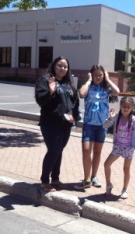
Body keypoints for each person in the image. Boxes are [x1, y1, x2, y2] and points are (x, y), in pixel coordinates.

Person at [35, 56, 80, 193]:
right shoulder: (46, 80)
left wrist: (74, 116)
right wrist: (50, 92)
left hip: (65, 124)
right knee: (54, 150)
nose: (62, 68)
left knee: (59, 150)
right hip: (50, 123)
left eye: (65, 66)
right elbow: (41, 100)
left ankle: (55, 178)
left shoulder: (68, 84)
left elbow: (74, 102)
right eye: (60, 65)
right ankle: (44, 181)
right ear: (54, 66)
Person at [74, 65, 120, 190]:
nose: (98, 77)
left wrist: (108, 79)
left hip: (102, 125)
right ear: (91, 75)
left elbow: (117, 92)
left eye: (100, 75)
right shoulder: (89, 87)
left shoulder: (106, 89)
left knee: (98, 152)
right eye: (95, 75)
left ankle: (94, 177)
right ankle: (87, 179)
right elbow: (81, 93)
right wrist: (88, 81)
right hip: (89, 124)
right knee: (86, 150)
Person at [103, 97, 135, 199]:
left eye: (128, 107)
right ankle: (108, 184)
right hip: (118, 147)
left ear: (132, 108)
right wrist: (110, 118)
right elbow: (105, 126)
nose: (126, 109)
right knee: (106, 164)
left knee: (126, 169)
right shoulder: (116, 117)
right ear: (120, 106)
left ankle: (124, 189)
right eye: (124, 106)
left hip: (128, 148)